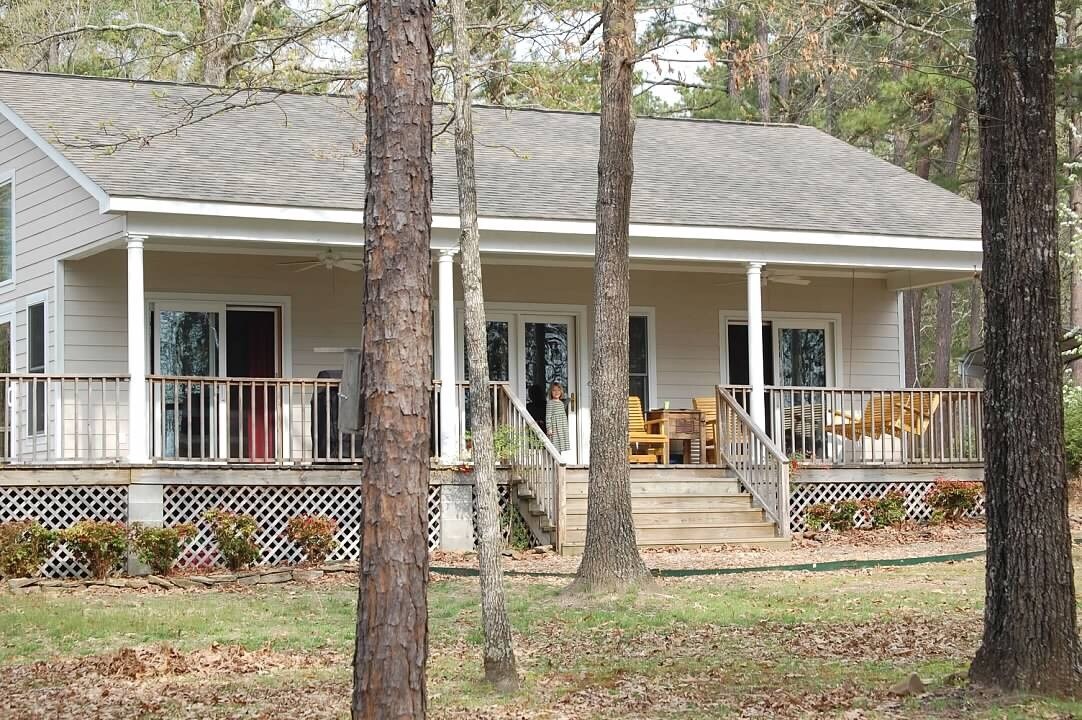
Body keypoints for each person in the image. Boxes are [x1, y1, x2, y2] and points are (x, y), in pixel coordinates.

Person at [545, 381, 570, 453]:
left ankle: (559, 457)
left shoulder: (561, 403)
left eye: (558, 390)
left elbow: (562, 412)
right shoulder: (550, 403)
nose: (556, 392)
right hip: (555, 427)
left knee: (561, 445)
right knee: (555, 445)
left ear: (561, 392)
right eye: (554, 390)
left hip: (562, 427)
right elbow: (548, 416)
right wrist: (549, 428)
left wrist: (569, 399)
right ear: (551, 392)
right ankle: (554, 459)